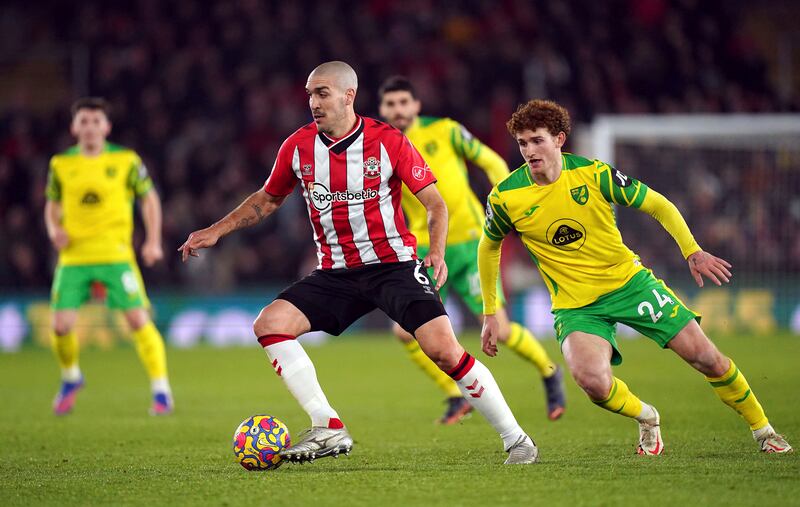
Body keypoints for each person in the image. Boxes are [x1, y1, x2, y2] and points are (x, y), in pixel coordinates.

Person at [179, 61, 538, 465]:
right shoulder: (297, 146)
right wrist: (215, 230)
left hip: (393, 265)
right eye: (310, 94)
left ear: (349, 95)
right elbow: (267, 199)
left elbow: (435, 203)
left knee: (443, 350)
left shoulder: (388, 141)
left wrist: (435, 251)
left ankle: (517, 439)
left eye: (322, 93)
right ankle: (328, 427)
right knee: (270, 325)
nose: (313, 102)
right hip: (336, 273)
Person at [479, 98, 792, 455]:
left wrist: (692, 250)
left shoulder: (594, 174)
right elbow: (488, 247)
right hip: (576, 305)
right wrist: (491, 310)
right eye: (522, 143)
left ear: (559, 139)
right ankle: (647, 417)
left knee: (707, 358)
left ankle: (763, 430)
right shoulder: (506, 196)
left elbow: (658, 204)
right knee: (592, 382)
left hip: (630, 285)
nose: (529, 150)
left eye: (537, 140)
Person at [378, 76, 565, 424]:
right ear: (382, 109)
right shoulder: (380, 147)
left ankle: (549, 372)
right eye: (391, 104)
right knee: (405, 332)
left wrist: (509, 197)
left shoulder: (447, 130)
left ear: (416, 105)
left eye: (404, 102)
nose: (398, 110)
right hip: (427, 248)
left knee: (502, 331)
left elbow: (491, 160)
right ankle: (454, 396)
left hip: (473, 243)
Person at [45, 97, 173, 416]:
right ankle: (71, 377)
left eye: (95, 121)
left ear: (107, 126)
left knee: (137, 320)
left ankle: (161, 389)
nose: (90, 128)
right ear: (74, 127)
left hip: (116, 255)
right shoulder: (61, 164)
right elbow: (52, 204)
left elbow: (149, 199)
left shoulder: (127, 160)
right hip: (73, 256)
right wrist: (53, 229)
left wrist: (153, 240)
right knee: (60, 326)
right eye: (84, 122)